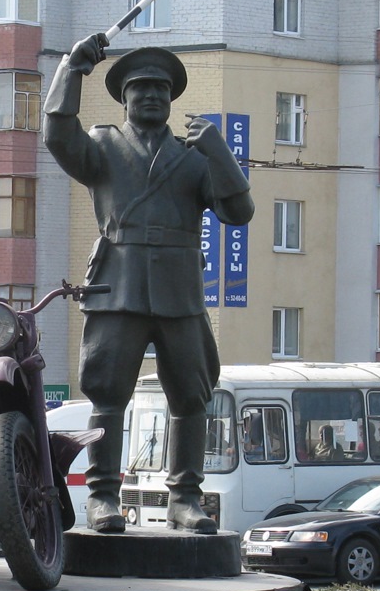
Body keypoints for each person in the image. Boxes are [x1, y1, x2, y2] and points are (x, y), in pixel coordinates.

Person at [43, 35, 254, 534]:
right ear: (124, 98)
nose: (152, 97)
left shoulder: (195, 155)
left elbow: (239, 212)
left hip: (180, 291)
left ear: (172, 97)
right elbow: (56, 133)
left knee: (191, 397)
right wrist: (72, 69)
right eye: (141, 89)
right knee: (108, 397)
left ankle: (185, 499)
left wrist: (220, 153)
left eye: (161, 88)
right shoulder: (103, 147)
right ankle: (102, 498)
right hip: (118, 284)